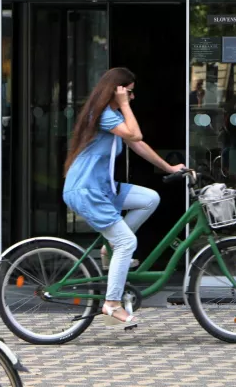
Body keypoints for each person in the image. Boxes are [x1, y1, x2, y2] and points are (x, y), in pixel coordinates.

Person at [63, 67, 184, 327]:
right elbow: (135, 134)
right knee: (127, 243)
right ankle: (112, 303)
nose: (132, 97)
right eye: (129, 91)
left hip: (105, 189)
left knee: (149, 198)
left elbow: (138, 145)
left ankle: (111, 248)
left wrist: (170, 168)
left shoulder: (111, 116)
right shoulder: (104, 114)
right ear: (116, 90)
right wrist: (123, 104)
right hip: (87, 191)